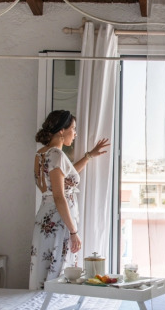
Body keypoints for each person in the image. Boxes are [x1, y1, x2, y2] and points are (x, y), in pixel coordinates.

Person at [29, 110, 110, 289]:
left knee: (46, 272)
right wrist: (73, 232)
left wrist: (89, 156)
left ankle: (42, 304)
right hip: (58, 219)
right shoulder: (56, 155)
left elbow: (64, 177)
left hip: (46, 217)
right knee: (58, 273)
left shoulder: (41, 154)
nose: (75, 133)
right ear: (61, 130)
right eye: (73, 128)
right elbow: (59, 196)